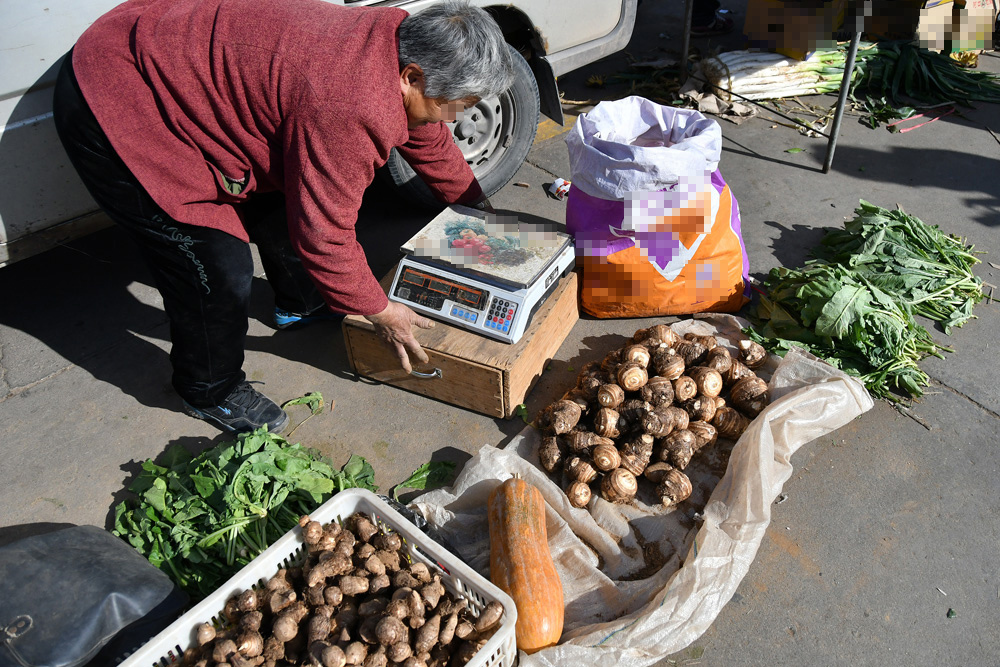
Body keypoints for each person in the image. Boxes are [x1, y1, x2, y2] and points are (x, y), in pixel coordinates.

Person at [53, 0, 514, 434]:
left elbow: (428, 138)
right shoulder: (351, 105)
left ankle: (300, 302)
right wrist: (382, 311)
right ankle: (209, 388)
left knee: (290, 191)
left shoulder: (396, 40)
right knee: (217, 264)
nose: (457, 118)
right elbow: (326, 238)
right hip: (118, 92)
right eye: (455, 104)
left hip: (174, 55)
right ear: (411, 77)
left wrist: (482, 217)